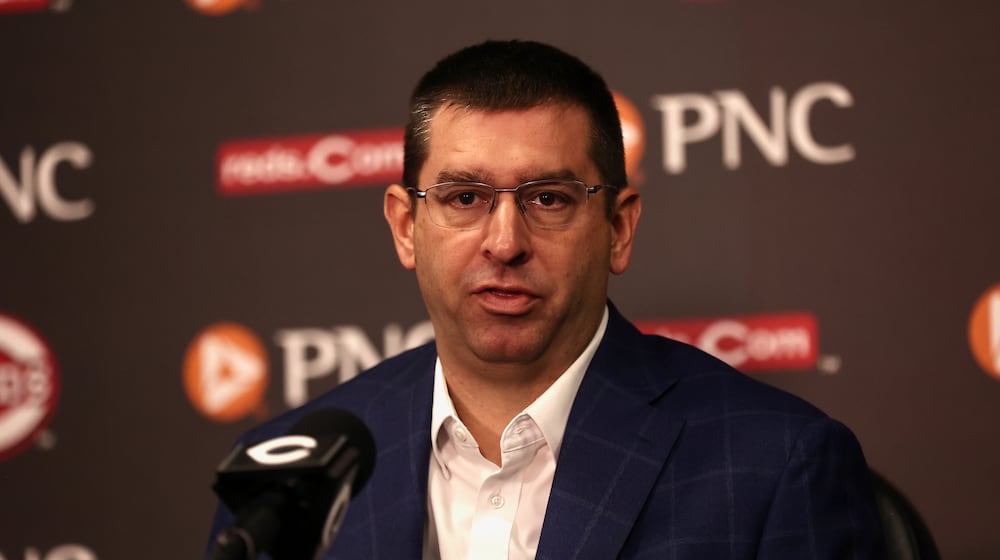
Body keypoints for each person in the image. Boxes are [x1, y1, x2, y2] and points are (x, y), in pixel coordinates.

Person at [208, 40, 884, 559]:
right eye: (464, 198)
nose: (504, 242)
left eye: (550, 199)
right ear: (405, 226)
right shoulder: (286, 475)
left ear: (618, 228)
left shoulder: (776, 463)